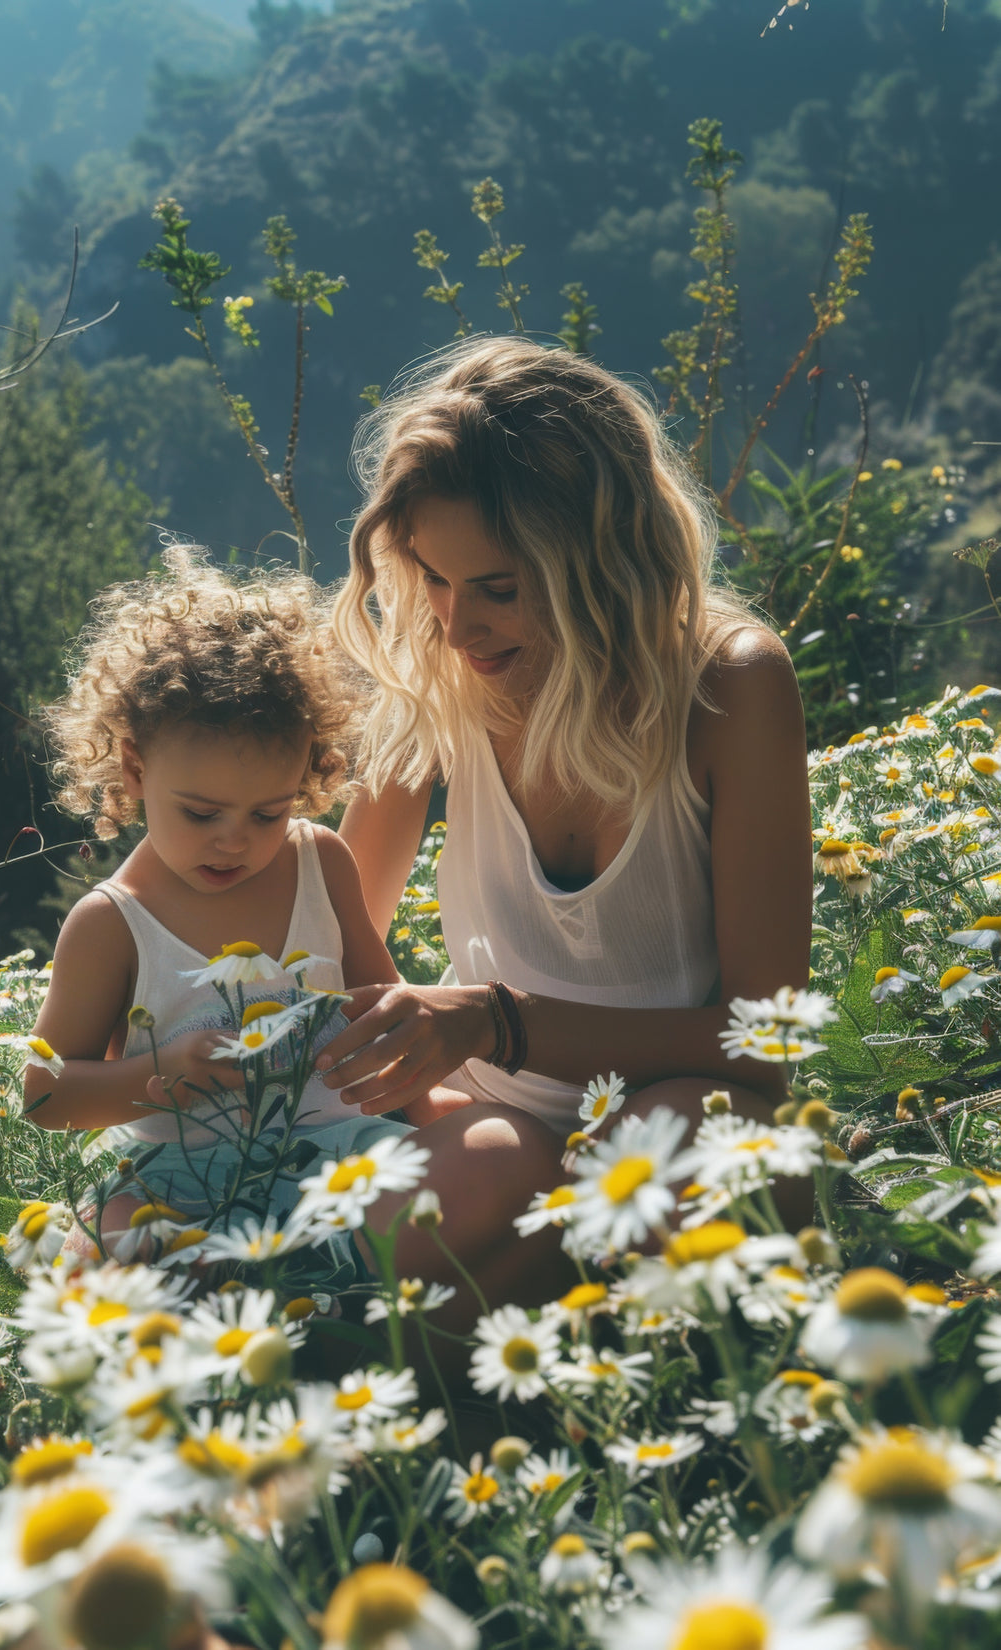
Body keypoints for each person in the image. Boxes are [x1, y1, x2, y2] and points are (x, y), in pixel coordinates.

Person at [322, 335, 814, 1309]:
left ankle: (516, 1330)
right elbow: (326, 932)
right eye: (430, 577)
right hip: (490, 1121)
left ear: (599, 557)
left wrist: (499, 1020)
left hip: (674, 1109)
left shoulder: (728, 687)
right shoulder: (442, 674)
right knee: (447, 1200)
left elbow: (762, 1045)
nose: (456, 626)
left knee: (671, 1170)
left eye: (497, 588)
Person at [26, 548, 426, 1258]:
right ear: (134, 768)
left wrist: (434, 1120)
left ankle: (303, 1296)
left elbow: (382, 1011)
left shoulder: (319, 864)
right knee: (121, 1247)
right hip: (174, 1177)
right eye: (202, 814)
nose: (234, 843)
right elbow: (48, 1094)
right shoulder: (114, 924)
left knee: (476, 1169)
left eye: (269, 814)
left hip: (336, 1156)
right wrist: (162, 1077)